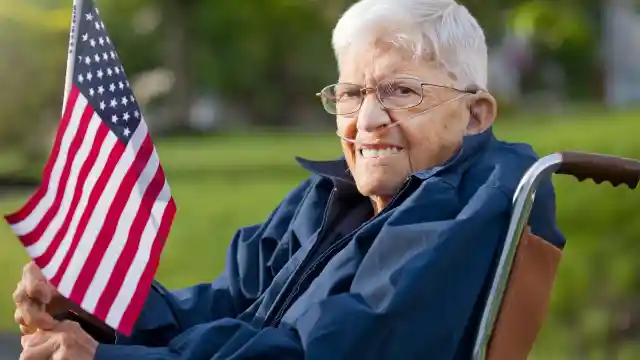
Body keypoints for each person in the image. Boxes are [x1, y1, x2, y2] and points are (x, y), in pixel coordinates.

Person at [14, 0, 566, 359]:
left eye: (402, 92)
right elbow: (227, 304)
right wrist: (94, 308)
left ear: (476, 114)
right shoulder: (332, 197)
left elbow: (315, 354)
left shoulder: (476, 203)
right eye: (350, 94)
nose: (366, 122)